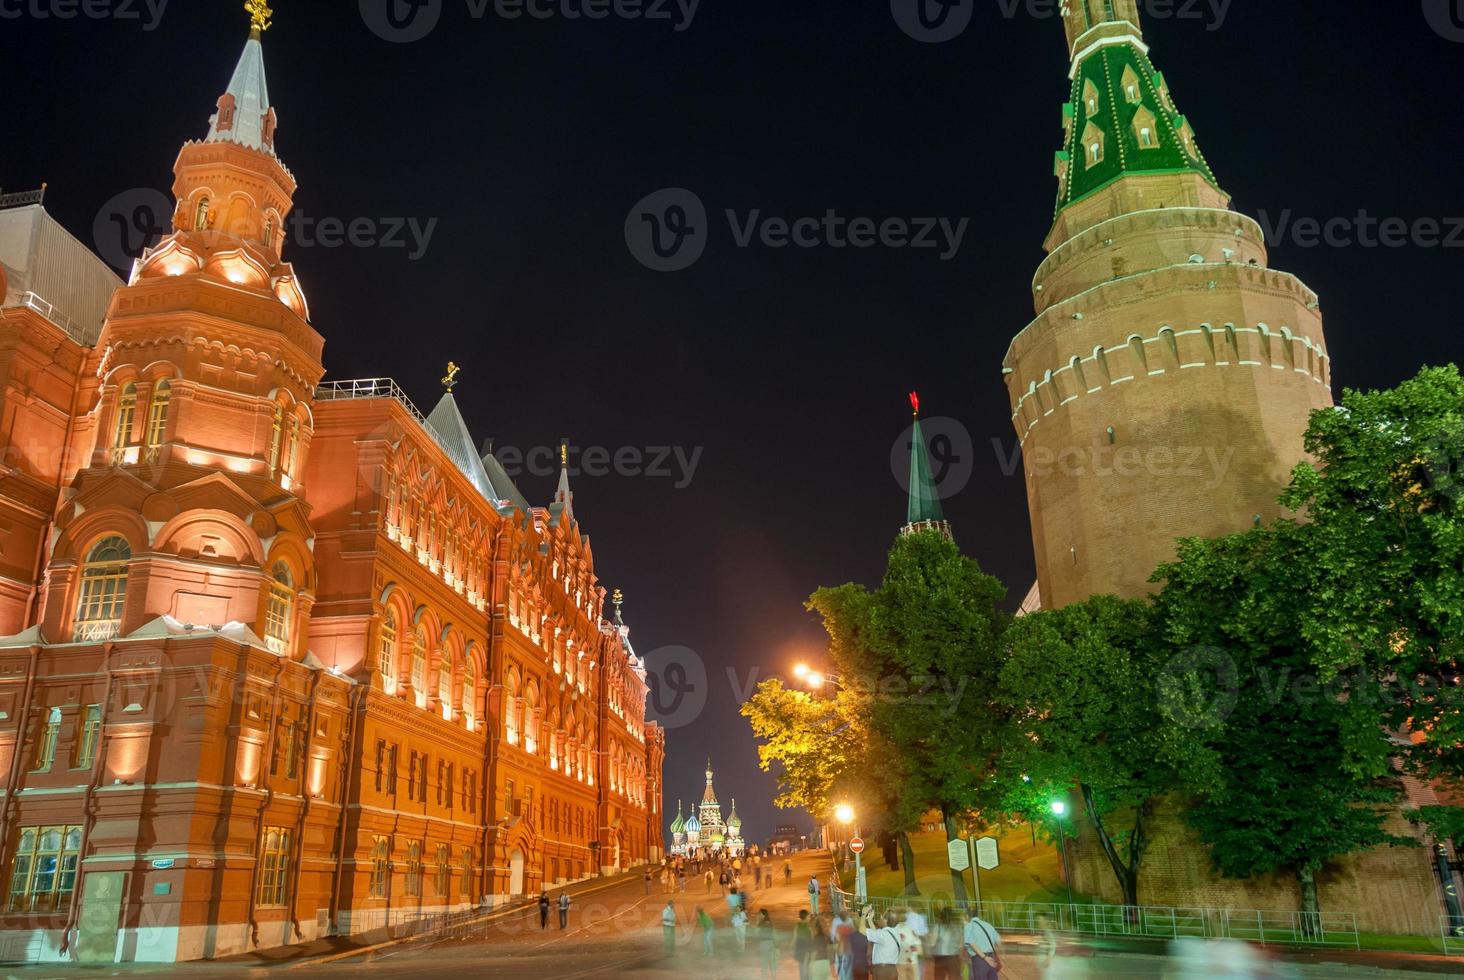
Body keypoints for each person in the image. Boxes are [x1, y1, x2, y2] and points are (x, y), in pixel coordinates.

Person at [962, 907, 1002, 980]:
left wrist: (985, 957)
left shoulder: (968, 926)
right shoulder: (988, 925)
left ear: (967, 916)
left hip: (979, 960)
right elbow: (998, 942)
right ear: (978, 915)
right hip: (992, 958)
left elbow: (971, 943)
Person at [866, 911, 902, 980]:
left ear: (886, 920)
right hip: (892, 970)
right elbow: (876, 934)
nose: (880, 920)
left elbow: (862, 930)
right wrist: (869, 920)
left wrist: (863, 914)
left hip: (882, 970)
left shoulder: (883, 935)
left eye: (881, 918)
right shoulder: (895, 933)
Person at [929, 908, 963, 980]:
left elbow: (932, 943)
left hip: (940, 958)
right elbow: (960, 944)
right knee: (955, 978)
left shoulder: (938, 926)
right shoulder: (958, 927)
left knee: (939, 978)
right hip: (954, 957)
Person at [810, 914, 832, 980]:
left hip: (817, 963)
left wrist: (810, 965)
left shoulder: (814, 938)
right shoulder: (828, 937)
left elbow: (813, 952)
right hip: (826, 962)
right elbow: (831, 950)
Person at [758, 909, 779, 979]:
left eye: (760, 914)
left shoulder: (761, 922)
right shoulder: (770, 922)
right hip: (771, 943)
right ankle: (774, 977)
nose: (759, 915)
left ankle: (764, 977)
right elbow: (773, 932)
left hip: (764, 943)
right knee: (771, 962)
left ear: (763, 914)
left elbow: (757, 931)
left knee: (764, 962)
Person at [794, 909, 814, 980]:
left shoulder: (797, 925)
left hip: (799, 948)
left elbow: (795, 937)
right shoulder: (809, 926)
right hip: (807, 949)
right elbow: (812, 937)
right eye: (808, 916)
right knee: (808, 968)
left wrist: (793, 948)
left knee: (801, 967)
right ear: (806, 916)